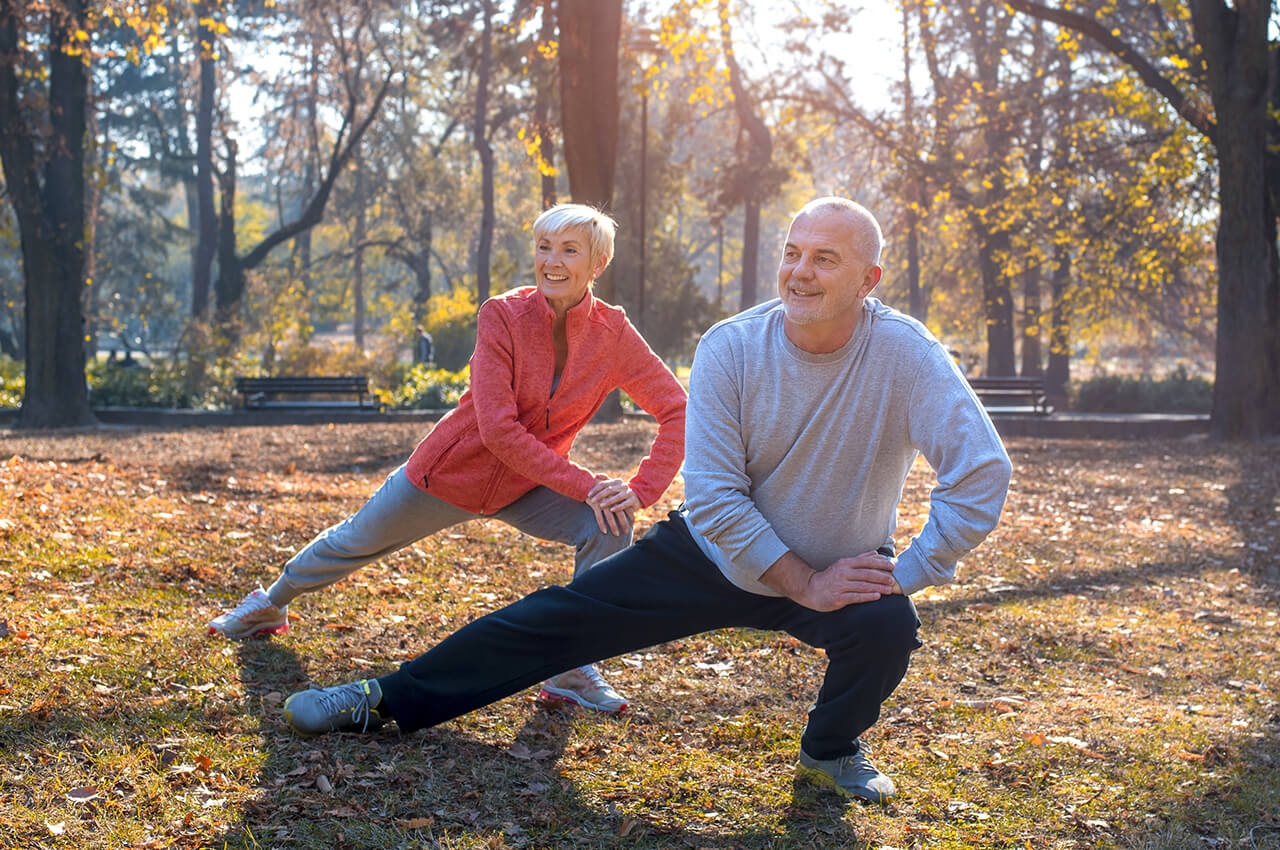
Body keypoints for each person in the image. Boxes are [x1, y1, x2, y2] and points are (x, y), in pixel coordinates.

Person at [280, 197, 1012, 803]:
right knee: (554, 622)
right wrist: (802, 582)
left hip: (840, 563)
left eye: (825, 258)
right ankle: (384, 698)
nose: (800, 271)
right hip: (713, 555)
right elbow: (719, 499)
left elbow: (980, 471)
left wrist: (904, 572)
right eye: (792, 252)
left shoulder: (906, 353)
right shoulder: (733, 347)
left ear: (869, 278)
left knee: (887, 629)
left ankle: (830, 749)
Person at [209, 203, 687, 715]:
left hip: (527, 486)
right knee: (354, 540)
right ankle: (271, 602)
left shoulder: (612, 334)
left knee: (610, 521)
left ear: (597, 264)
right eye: (544, 246)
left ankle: (570, 665)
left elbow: (678, 409)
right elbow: (499, 431)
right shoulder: (502, 315)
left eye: (569, 250)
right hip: (450, 474)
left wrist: (638, 490)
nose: (552, 260)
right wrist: (586, 482)